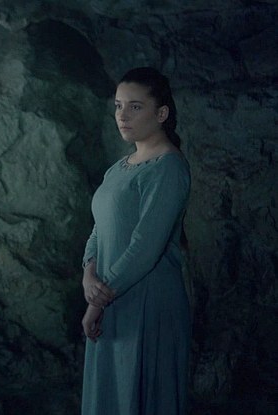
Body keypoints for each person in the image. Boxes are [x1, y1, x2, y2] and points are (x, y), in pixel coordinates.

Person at [80, 67, 191, 414]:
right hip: (111, 297)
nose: (122, 115)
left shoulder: (168, 168)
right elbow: (99, 229)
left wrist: (98, 301)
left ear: (161, 113)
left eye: (135, 107)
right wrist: (88, 273)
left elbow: (145, 247)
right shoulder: (119, 168)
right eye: (118, 105)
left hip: (148, 302)